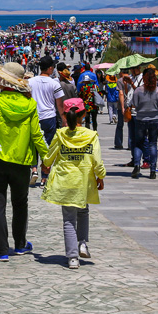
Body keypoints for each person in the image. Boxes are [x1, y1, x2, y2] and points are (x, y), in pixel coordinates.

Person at [0, 62, 49, 261]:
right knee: (20, 203)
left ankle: (1, 250)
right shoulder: (29, 104)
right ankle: (20, 245)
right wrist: (47, 158)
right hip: (22, 161)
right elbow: (36, 135)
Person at [41, 98, 106, 269]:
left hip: (65, 181)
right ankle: (82, 243)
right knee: (83, 211)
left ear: (65, 115)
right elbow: (97, 162)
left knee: (69, 219)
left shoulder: (60, 134)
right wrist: (100, 176)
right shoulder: (91, 135)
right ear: (83, 114)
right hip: (84, 181)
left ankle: (72, 258)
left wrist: (45, 166)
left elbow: (49, 156)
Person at [28, 56, 66, 186]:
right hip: (49, 117)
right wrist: (64, 120)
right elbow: (59, 105)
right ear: (50, 68)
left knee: (33, 145)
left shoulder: (30, 82)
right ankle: (45, 176)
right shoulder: (54, 83)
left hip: (34, 117)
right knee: (47, 147)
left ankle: (34, 170)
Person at [130, 68, 158, 180]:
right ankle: (153, 169)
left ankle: (136, 165)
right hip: (154, 118)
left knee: (139, 143)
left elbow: (134, 104)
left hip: (140, 119)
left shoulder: (138, 90)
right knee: (153, 143)